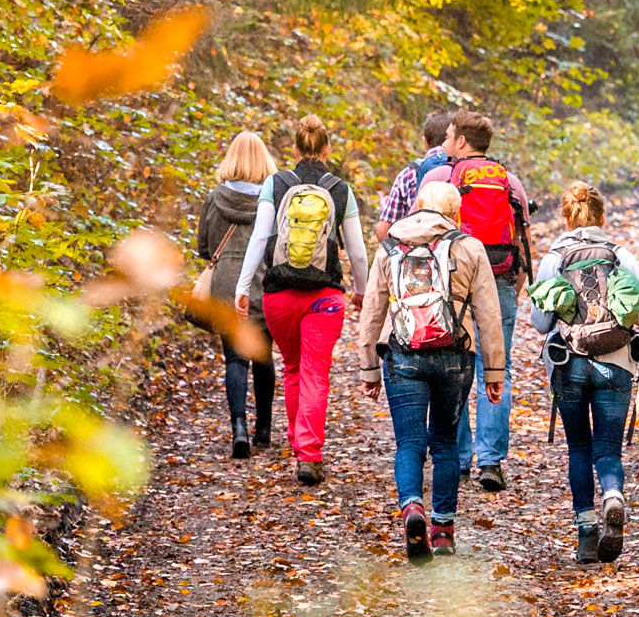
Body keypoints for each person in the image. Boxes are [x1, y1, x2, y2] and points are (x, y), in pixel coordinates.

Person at [356, 179, 505, 561]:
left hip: (403, 357)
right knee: (444, 444)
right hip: (454, 358)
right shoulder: (470, 248)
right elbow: (488, 314)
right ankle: (442, 531)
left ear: (417, 207)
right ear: (456, 214)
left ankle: (411, 509)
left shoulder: (389, 248)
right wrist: (494, 371)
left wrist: (368, 367)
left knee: (409, 443)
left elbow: (372, 310)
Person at [234, 116, 368, 486]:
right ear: (327, 150)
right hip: (324, 297)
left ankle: (298, 443)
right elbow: (356, 251)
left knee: (293, 368)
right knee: (315, 372)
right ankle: (309, 453)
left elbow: (259, 239)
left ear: (294, 150)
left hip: (278, 295)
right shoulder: (340, 190)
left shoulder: (274, 185)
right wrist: (361, 290)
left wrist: (242, 287)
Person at [529, 181, 639, 567]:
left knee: (579, 449)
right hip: (616, 363)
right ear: (603, 216)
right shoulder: (621, 257)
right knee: (607, 449)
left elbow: (538, 321)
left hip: (569, 364)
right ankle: (613, 495)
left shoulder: (554, 258)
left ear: (566, 217)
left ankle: (586, 535)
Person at [439, 111, 533, 494]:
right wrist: (518, 282)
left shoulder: (441, 179)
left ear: (462, 142)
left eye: (448, 138)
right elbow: (524, 238)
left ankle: (459, 459)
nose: (444, 145)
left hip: (455, 287)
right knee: (497, 367)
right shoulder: (509, 182)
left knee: (454, 368)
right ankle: (490, 461)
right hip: (501, 282)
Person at [194, 130, 277, 460]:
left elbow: (203, 247)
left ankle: (239, 428)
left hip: (226, 284)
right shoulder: (271, 198)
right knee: (262, 354)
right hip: (260, 281)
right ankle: (265, 429)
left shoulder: (215, 198)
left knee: (235, 358)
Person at [374, 109, 453, 243]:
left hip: (417, 257)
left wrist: (385, 209)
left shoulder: (409, 174)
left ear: (425, 142)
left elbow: (383, 231)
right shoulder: (463, 171)